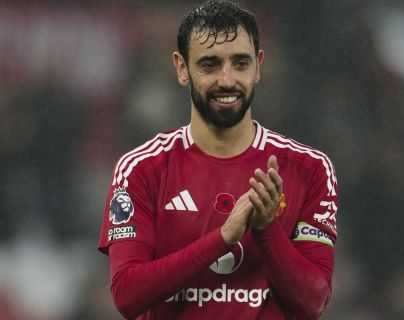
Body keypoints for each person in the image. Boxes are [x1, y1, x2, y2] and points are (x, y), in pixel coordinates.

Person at [98, 1, 339, 319]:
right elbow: (127, 295)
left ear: (258, 66)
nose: (227, 80)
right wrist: (222, 238)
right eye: (210, 65)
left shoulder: (310, 169)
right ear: (182, 69)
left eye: (240, 63)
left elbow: (312, 303)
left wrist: (267, 229)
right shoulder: (140, 169)